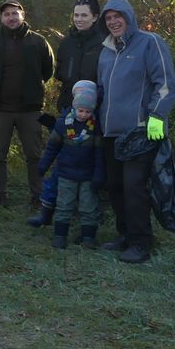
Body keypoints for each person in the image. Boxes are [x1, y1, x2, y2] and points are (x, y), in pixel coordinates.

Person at [97, 0, 175, 265]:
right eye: (108, 18)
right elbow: (102, 90)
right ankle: (125, 235)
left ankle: (141, 242)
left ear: (129, 17)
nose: (113, 22)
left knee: (134, 188)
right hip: (110, 132)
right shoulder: (107, 51)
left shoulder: (150, 42)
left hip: (139, 132)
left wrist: (156, 116)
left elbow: (166, 83)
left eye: (117, 16)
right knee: (115, 186)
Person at [28, 0, 107, 227]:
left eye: (84, 15)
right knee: (62, 162)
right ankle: (48, 210)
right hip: (68, 111)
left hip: (94, 115)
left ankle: (90, 216)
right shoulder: (67, 43)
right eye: (76, 15)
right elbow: (60, 74)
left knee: (92, 163)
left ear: (95, 17)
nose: (79, 19)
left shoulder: (104, 43)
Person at [0, 0, 54, 207]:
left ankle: (38, 196)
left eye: (14, 14)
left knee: (34, 155)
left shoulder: (38, 42)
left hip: (31, 110)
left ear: (23, 15)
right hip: (0, 110)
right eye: (7, 14)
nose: (11, 17)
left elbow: (48, 70)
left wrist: (32, 89)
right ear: (1, 18)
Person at [37, 80, 105, 250]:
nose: (83, 114)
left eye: (88, 111)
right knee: (64, 204)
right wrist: (43, 165)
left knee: (89, 207)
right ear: (75, 108)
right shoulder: (63, 124)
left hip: (88, 175)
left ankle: (88, 238)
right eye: (81, 110)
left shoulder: (95, 127)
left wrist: (98, 175)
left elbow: (99, 154)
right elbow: (52, 147)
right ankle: (60, 236)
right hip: (66, 174)